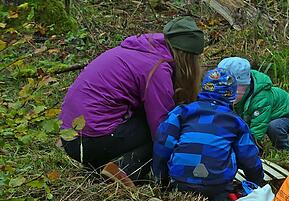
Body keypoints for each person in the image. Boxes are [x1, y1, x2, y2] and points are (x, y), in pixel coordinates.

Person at [59, 16, 204, 182]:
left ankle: (102, 167)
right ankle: (122, 171)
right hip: (90, 140)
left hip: (71, 135)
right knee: (162, 131)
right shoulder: (156, 68)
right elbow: (162, 128)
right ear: (189, 59)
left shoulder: (142, 50)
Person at [151, 68, 265, 201]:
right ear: (232, 97)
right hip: (216, 186)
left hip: (180, 182)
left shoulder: (182, 112)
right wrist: (257, 182)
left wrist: (160, 180)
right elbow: (249, 157)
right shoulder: (235, 121)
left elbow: (163, 143)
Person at [216, 57, 289, 151]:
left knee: (274, 126)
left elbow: (259, 125)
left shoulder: (261, 98)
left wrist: (249, 148)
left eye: (234, 89)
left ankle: (283, 150)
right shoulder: (237, 95)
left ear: (245, 85)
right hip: (263, 114)